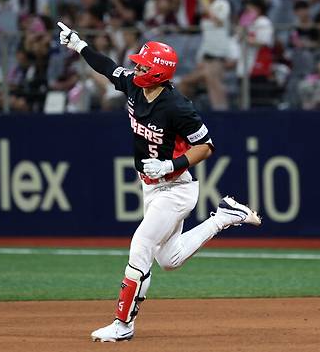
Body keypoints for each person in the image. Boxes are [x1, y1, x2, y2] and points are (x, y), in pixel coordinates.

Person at [57, 21, 261, 343]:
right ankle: (225, 216)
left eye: (142, 64)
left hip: (177, 189)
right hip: (151, 187)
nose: (136, 66)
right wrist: (79, 45)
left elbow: (206, 146)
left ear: (157, 72)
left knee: (140, 245)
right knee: (170, 259)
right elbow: (109, 68)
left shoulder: (178, 107)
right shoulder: (135, 87)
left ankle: (123, 324)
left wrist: (171, 163)